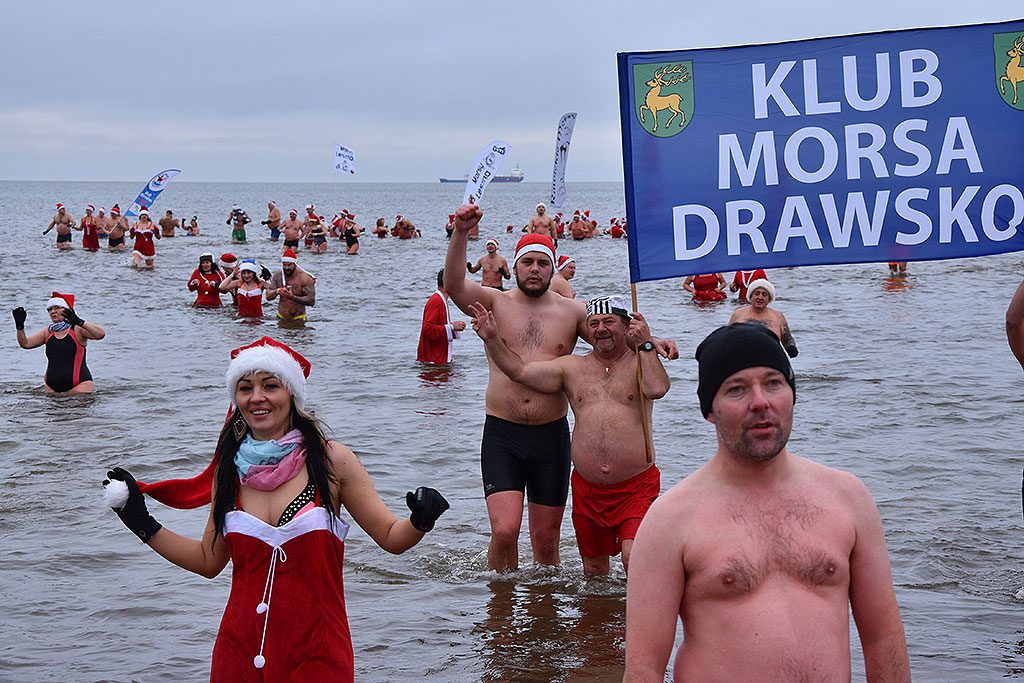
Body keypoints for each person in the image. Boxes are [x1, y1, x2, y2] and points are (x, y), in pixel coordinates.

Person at [100, 336, 449, 680]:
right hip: (237, 652)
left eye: (270, 386)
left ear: (292, 394)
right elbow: (208, 561)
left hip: (318, 653)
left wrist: (419, 520)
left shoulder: (332, 461)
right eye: (245, 388)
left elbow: (390, 536)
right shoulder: (228, 472)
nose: (257, 397)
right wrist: (141, 522)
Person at [623, 323, 910, 681]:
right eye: (737, 389)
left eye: (774, 383)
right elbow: (644, 667)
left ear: (792, 394)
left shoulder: (847, 498)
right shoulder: (670, 520)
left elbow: (883, 638)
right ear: (710, 410)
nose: (760, 402)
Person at [443, 204, 678, 573]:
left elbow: (611, 336)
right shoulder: (494, 301)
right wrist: (460, 232)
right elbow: (455, 284)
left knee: (547, 539)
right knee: (504, 530)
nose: (535, 269)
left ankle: (545, 605)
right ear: (514, 267)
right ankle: (499, 601)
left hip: (550, 434)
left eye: (542, 263)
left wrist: (652, 342)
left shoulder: (573, 312)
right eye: (527, 263)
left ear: (553, 269)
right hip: (503, 432)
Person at [471, 296, 669, 576]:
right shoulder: (571, 368)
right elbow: (519, 371)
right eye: (594, 323)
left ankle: (645, 605)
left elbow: (657, 389)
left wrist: (646, 343)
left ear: (627, 326)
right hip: (588, 490)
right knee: (594, 571)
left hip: (635, 486)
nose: (601, 329)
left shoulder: (641, 362)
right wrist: (492, 339)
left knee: (633, 556)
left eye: (609, 321)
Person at [13, 292, 105, 394]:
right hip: (51, 387)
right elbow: (25, 344)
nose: (53, 311)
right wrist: (20, 326)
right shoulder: (48, 331)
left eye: (57, 307)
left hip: (79, 385)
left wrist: (79, 321)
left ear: (67, 310)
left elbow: (100, 334)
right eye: (50, 309)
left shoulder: (77, 329)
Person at [729, 279, 798, 358]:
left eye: (764, 295)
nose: (760, 297)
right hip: (743, 358)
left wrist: (791, 348)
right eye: (757, 294)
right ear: (751, 296)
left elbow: (787, 339)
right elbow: (728, 338)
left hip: (770, 359)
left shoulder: (778, 316)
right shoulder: (738, 314)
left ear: (769, 299)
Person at [417, 269, 466, 364]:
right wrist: (452, 327)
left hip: (436, 360)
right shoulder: (437, 301)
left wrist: (454, 328)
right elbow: (428, 329)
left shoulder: (441, 300)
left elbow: (436, 327)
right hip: (432, 360)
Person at [266, 249, 315, 327]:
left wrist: (292, 297)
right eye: (284, 265)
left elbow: (311, 301)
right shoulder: (278, 276)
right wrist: (277, 291)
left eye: (289, 265)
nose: (286, 268)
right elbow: (268, 296)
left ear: (295, 264)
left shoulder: (305, 278)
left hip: (299, 319)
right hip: (281, 318)